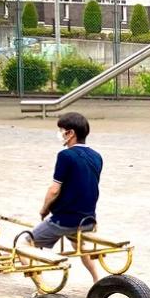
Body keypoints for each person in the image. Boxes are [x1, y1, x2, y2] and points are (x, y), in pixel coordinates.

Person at [30, 110, 102, 280]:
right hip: (88, 220)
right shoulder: (97, 156)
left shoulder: (65, 156)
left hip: (65, 220)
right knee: (79, 245)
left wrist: (44, 209)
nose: (60, 134)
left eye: (62, 130)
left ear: (70, 133)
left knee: (24, 243)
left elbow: (54, 190)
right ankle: (97, 279)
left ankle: (41, 289)